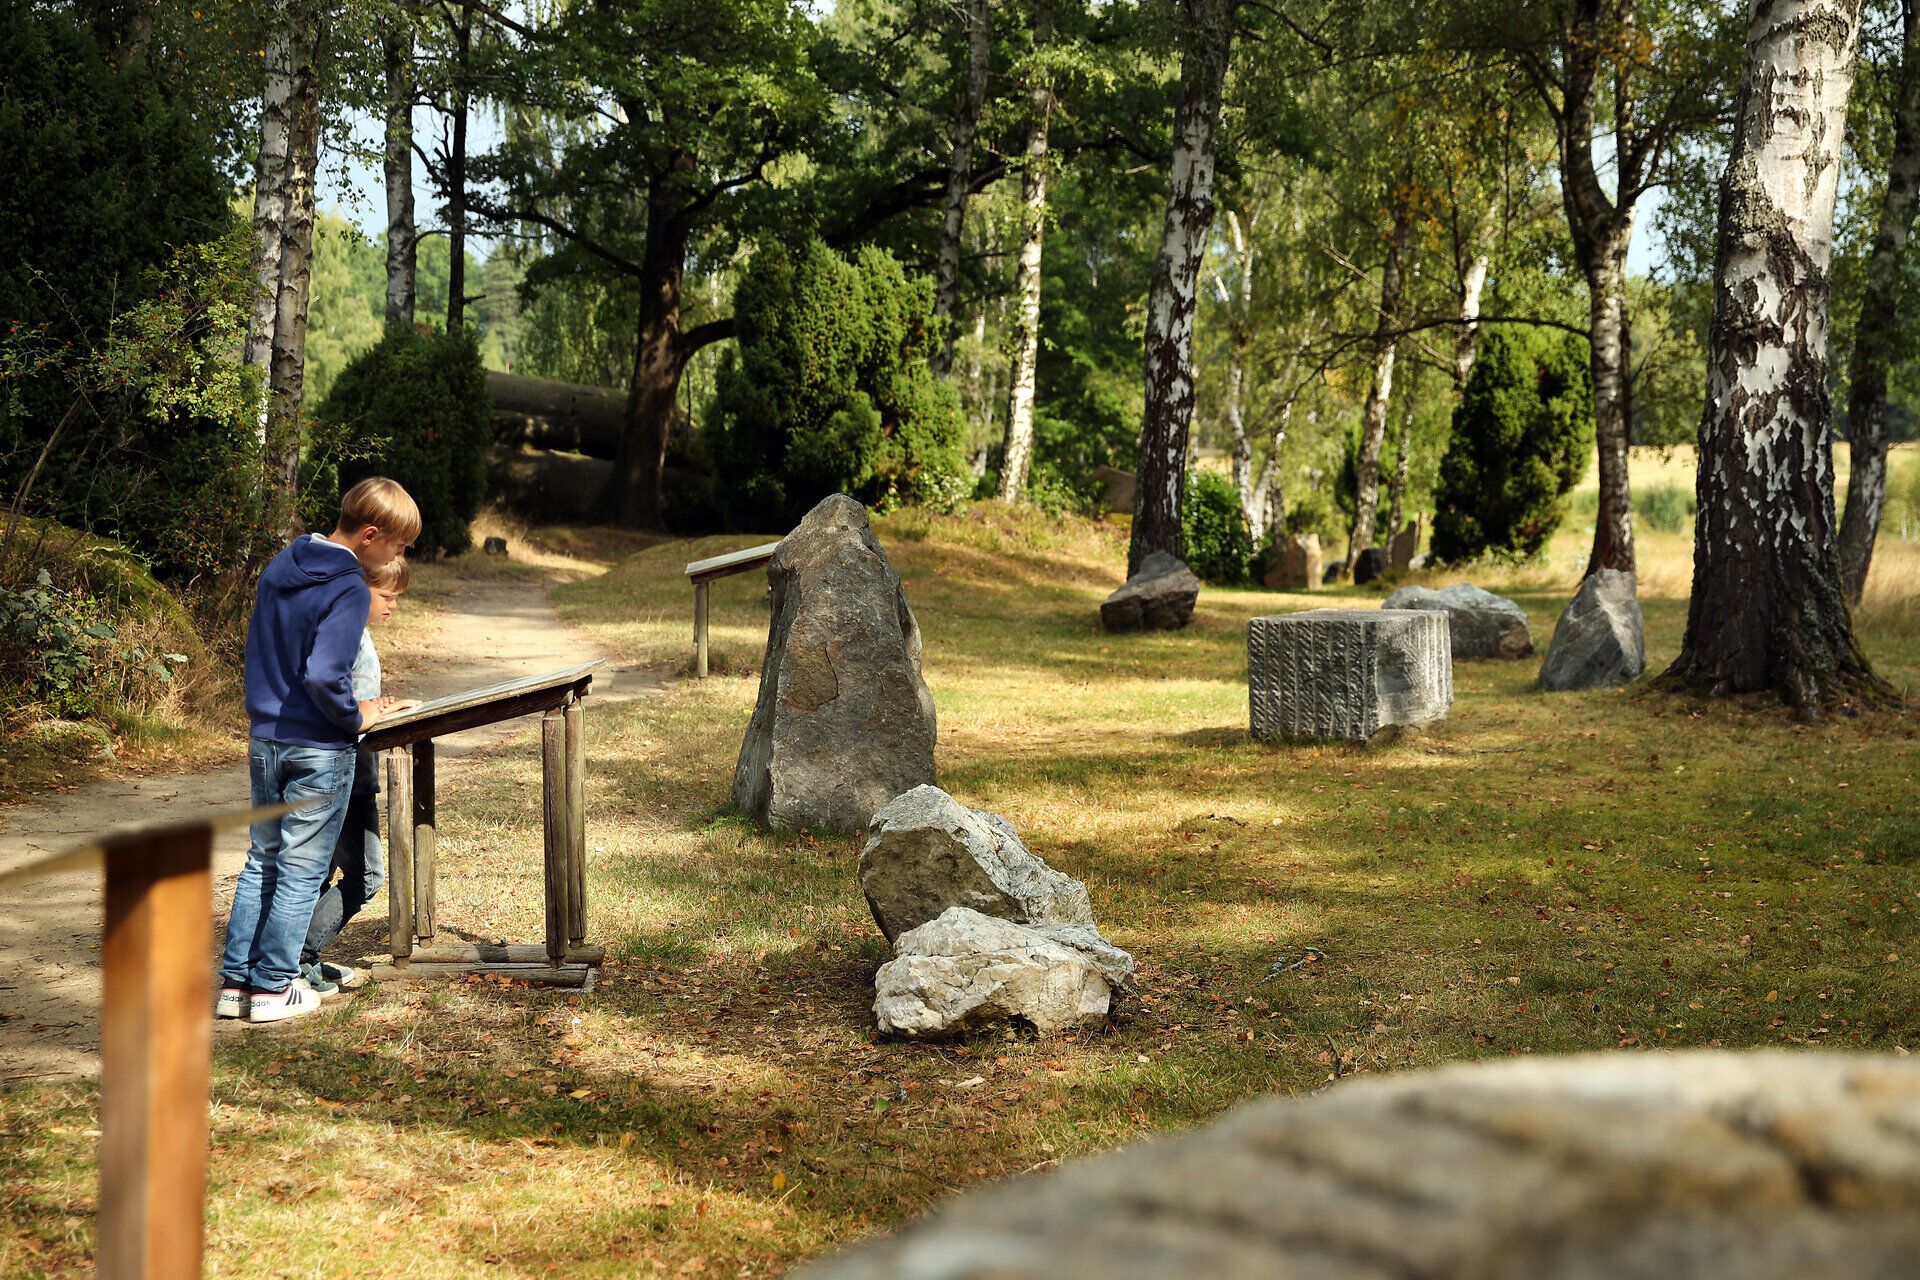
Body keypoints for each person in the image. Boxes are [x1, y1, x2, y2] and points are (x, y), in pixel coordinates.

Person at [216, 478, 420, 1024]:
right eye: (398, 547)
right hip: (318, 747)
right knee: (303, 871)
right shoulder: (349, 586)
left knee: (263, 860)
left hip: (266, 739)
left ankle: (237, 983)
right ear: (371, 535)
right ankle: (274, 987)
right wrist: (359, 715)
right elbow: (325, 674)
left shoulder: (284, 563)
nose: (397, 557)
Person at [298, 553, 419, 995]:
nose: (392, 605)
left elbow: (356, 700)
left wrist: (383, 708)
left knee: (320, 872)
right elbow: (334, 702)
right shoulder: (346, 634)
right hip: (341, 772)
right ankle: (298, 958)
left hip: (354, 772)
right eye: (386, 595)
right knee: (365, 875)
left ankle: (294, 959)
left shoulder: (355, 634)